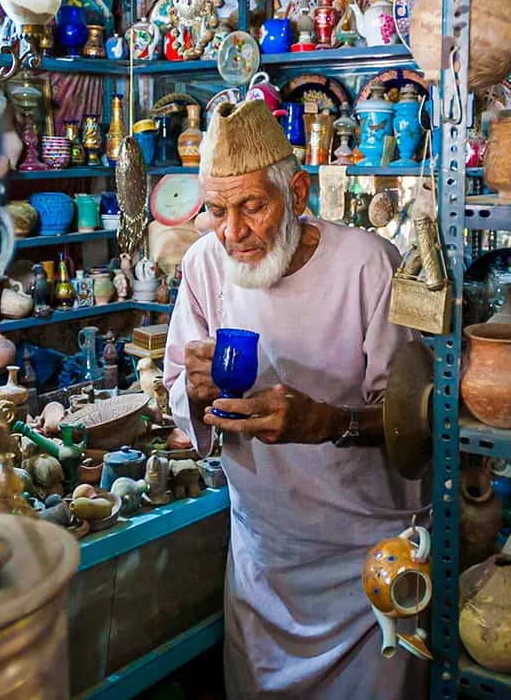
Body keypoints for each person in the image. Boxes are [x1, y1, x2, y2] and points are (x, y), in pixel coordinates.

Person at [163, 100, 429, 699]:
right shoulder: (206, 263)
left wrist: (327, 423)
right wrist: (196, 391)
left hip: (367, 559)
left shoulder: (366, 264)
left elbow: (416, 424)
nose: (233, 233)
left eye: (252, 205)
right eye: (217, 210)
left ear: (299, 192)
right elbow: (180, 395)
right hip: (267, 556)